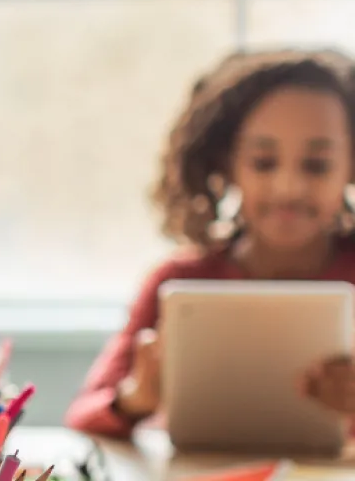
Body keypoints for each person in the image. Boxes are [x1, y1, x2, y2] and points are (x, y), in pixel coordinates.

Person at [65, 49, 355, 437]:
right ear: (227, 164)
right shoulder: (178, 281)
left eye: (317, 165)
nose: (289, 188)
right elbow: (85, 415)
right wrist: (138, 397)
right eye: (264, 162)